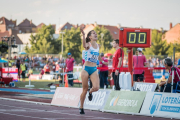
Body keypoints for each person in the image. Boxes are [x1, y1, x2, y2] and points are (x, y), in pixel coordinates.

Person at [79, 27, 103, 114]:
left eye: (96, 33)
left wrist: (101, 61)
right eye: (93, 33)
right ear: (90, 37)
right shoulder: (88, 44)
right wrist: (83, 35)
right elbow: (84, 45)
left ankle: (90, 92)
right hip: (86, 69)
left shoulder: (98, 45)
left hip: (94, 69)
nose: (95, 34)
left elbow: (98, 55)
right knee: (84, 89)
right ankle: (81, 107)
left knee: (96, 88)